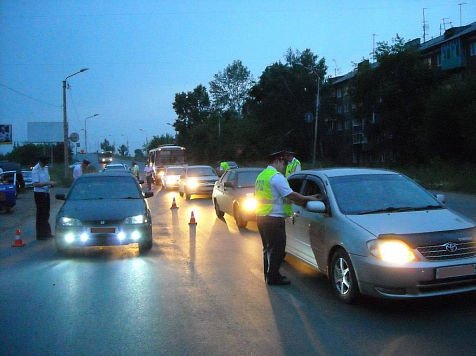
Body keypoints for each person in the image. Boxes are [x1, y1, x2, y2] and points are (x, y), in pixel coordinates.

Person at [255, 150, 321, 285]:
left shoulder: (262, 176)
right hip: (273, 218)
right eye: (283, 164)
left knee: (268, 248)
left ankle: (270, 274)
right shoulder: (276, 177)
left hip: (262, 217)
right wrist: (309, 198)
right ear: (277, 161)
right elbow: (291, 195)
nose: (284, 167)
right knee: (278, 248)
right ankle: (273, 277)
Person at [31, 156, 57, 240]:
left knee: (46, 213)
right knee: (41, 214)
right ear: (40, 161)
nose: (45, 163)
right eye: (44, 162)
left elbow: (47, 179)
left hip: (46, 192)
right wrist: (48, 183)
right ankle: (40, 234)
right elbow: (35, 184)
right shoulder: (36, 169)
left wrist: (50, 184)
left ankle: (47, 233)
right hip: (39, 194)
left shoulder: (45, 168)